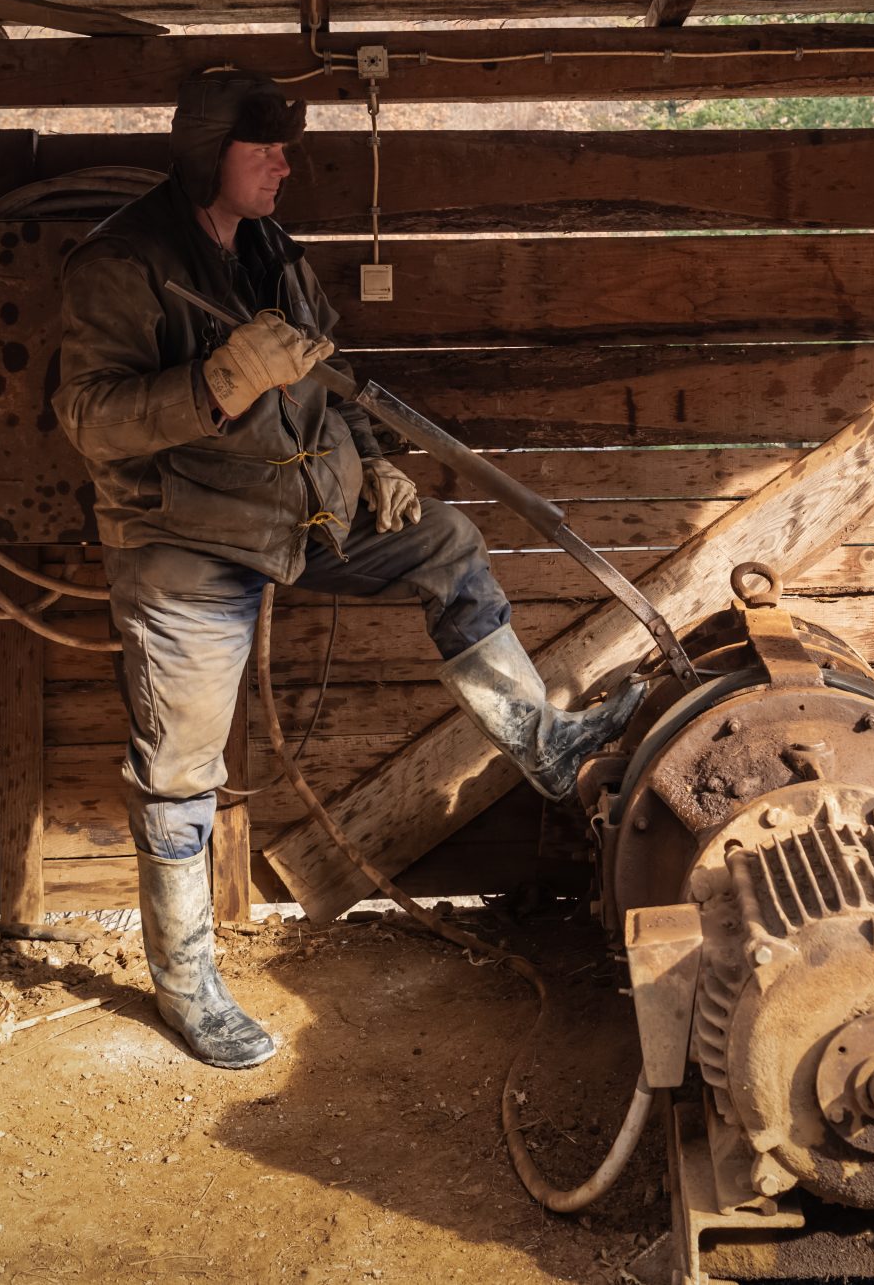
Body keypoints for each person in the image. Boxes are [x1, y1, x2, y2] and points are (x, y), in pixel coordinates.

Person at [53, 68, 644, 1070]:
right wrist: (216, 381)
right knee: (180, 762)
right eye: (265, 148)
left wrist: (375, 467)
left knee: (448, 547)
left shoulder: (274, 251)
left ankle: (541, 743)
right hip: (183, 537)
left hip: (302, 512)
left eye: (286, 146)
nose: (286, 163)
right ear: (209, 154)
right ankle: (187, 981)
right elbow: (89, 419)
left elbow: (331, 378)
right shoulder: (121, 263)